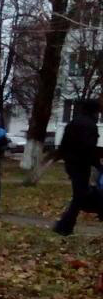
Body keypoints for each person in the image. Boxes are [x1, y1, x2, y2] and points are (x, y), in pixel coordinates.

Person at [52, 100, 101, 236]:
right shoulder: (90, 125)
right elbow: (89, 148)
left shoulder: (73, 123)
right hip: (82, 165)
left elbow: (64, 144)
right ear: (94, 111)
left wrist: (63, 158)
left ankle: (65, 226)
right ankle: (64, 226)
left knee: (80, 194)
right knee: (80, 196)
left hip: (71, 164)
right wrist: (98, 164)